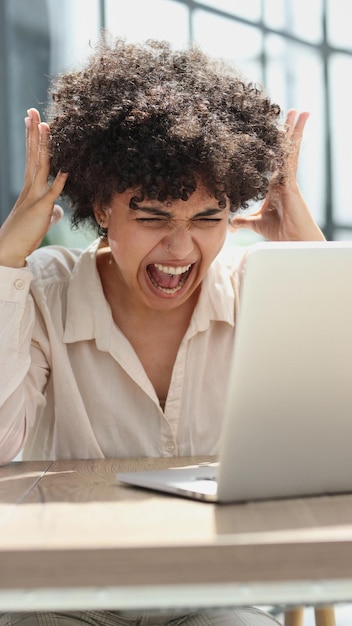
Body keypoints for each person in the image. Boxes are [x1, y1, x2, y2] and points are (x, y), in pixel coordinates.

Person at [0, 35, 324, 626]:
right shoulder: (45, 292)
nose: (180, 248)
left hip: (216, 593)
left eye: (208, 218)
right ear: (102, 208)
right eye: (152, 218)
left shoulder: (259, 288)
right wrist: (4, 265)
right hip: (68, 596)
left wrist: (309, 255)